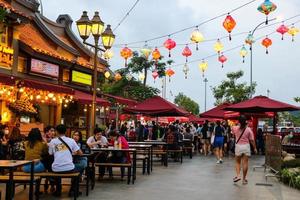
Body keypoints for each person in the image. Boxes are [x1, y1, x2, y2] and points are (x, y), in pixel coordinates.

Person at [48, 124, 83, 196]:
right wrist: (73, 152)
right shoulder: (71, 140)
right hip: (69, 168)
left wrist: (59, 149)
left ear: (56, 132)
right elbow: (81, 153)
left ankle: (58, 190)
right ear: (66, 131)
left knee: (58, 168)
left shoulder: (53, 141)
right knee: (79, 169)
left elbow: (50, 154)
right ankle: (73, 190)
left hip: (56, 168)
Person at [232, 116, 257, 185]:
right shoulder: (249, 129)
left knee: (237, 162)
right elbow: (252, 140)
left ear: (239, 121)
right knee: (245, 163)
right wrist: (255, 148)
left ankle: (238, 176)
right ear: (246, 121)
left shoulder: (235, 128)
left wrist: (238, 124)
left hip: (238, 146)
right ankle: (244, 179)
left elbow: (233, 132)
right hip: (246, 147)